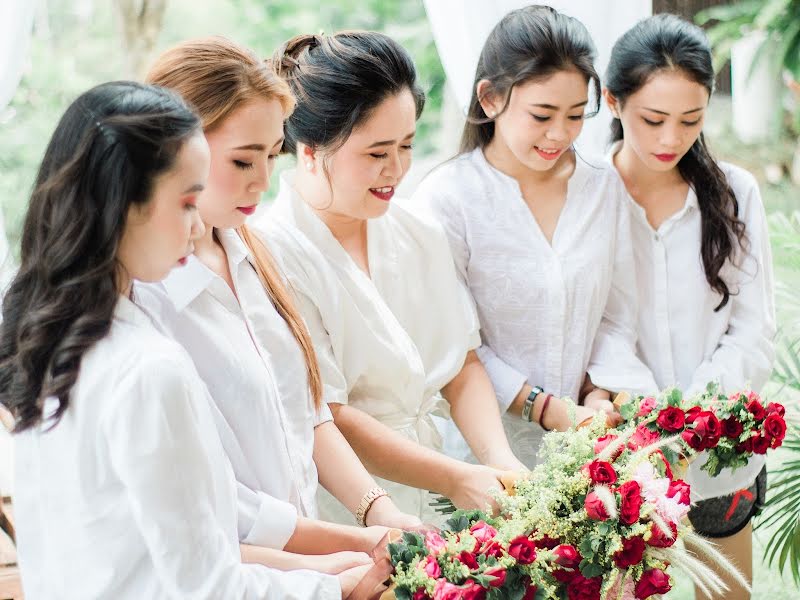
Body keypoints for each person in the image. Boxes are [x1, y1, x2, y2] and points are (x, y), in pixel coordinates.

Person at [0, 81, 369, 598]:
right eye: (187, 203)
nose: (197, 228)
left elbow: (189, 510)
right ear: (125, 204)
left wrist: (331, 558)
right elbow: (209, 586)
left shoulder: (53, 345)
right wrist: (338, 589)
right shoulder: (146, 366)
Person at [139, 37, 418, 562]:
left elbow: (307, 416)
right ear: (178, 147)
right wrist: (339, 553)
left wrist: (380, 512)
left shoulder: (249, 248)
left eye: (272, 155)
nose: (264, 182)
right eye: (243, 162)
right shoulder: (146, 297)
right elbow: (197, 513)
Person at [260, 30, 525, 523]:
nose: (398, 169)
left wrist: (500, 459)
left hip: (450, 492)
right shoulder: (271, 254)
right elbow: (329, 415)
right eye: (377, 154)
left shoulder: (418, 229)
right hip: (351, 509)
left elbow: (461, 365)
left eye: (406, 145)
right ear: (310, 151)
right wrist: (455, 477)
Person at [411, 5, 643, 468]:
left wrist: (598, 392)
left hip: (593, 450)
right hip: (486, 457)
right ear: (491, 98)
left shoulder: (603, 186)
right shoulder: (447, 198)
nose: (560, 134)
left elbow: (618, 315)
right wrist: (547, 409)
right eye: (542, 115)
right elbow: (455, 343)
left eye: (577, 115)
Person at [603, 14, 775, 599]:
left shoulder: (733, 192)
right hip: (622, 458)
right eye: (652, 120)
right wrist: (651, 426)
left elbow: (753, 327)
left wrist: (693, 416)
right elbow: (597, 331)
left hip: (721, 452)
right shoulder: (586, 198)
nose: (670, 140)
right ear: (612, 101)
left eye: (691, 120)